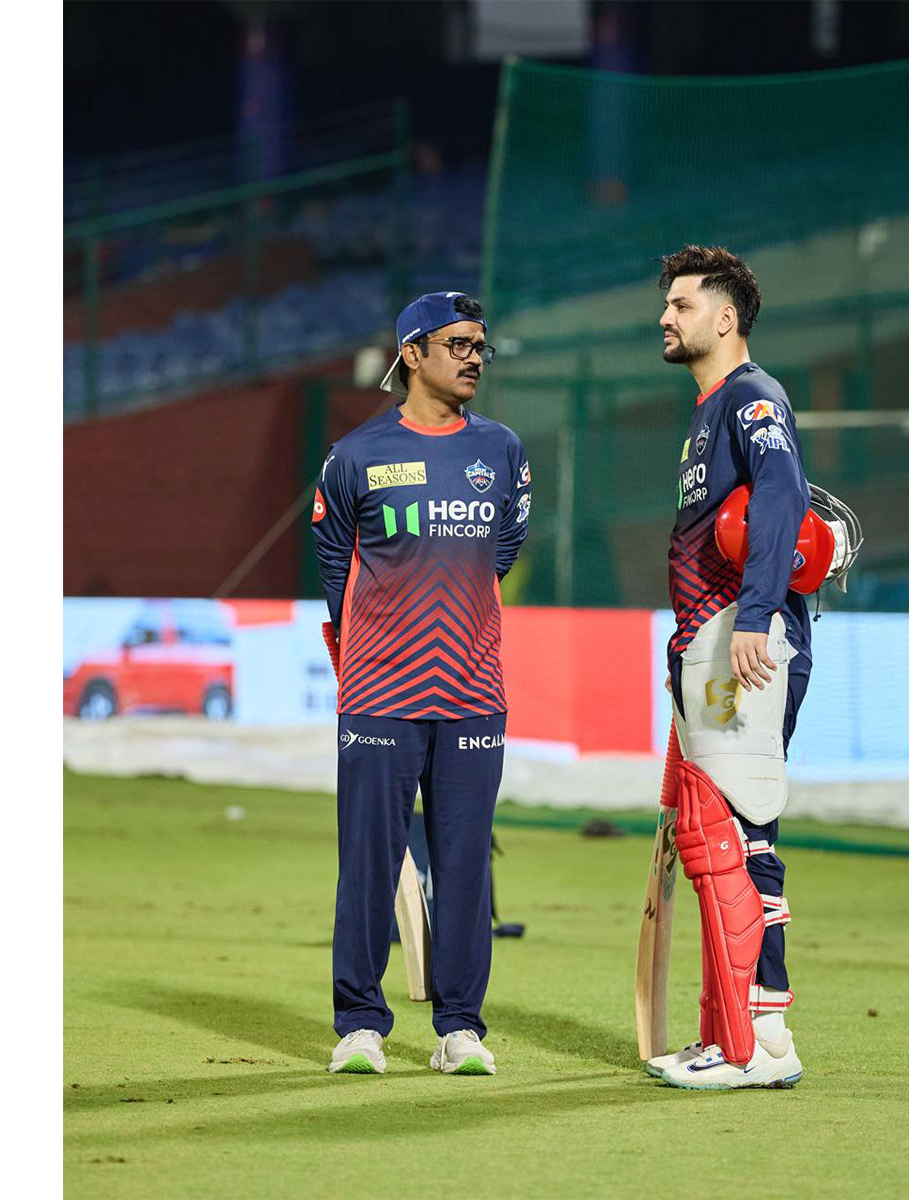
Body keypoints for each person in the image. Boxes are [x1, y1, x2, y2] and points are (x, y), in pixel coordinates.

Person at [310, 291, 530, 1076]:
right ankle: (360, 1026)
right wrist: (371, 645)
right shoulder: (355, 455)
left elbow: (501, 550)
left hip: (474, 692)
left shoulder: (503, 449)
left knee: (465, 864)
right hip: (379, 694)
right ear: (412, 353)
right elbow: (334, 564)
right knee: (368, 861)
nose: (475, 356)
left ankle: (460, 1029)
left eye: (481, 345)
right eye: (459, 343)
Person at [650, 245, 812, 1089]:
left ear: (726, 318)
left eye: (681, 304)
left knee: (740, 836)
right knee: (722, 834)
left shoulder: (752, 398)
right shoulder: (712, 409)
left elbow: (784, 495)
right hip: (711, 645)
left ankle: (758, 1046)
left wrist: (752, 617)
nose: (666, 317)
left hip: (744, 644)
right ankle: (746, 1038)